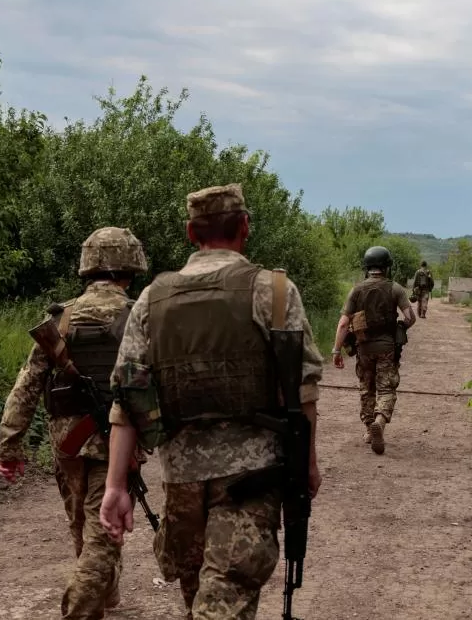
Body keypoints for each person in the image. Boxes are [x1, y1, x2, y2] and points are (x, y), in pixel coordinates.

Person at [99, 183, 323, 620]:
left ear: (189, 232)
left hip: (182, 479)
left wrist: (114, 486)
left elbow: (127, 399)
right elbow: (302, 389)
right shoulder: (273, 292)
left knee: (201, 596)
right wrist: (307, 463)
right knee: (223, 603)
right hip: (253, 476)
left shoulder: (151, 299)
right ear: (244, 227)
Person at [0, 226, 148, 620]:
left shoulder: (61, 320)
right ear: (130, 265)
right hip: (119, 440)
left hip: (67, 442)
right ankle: (85, 605)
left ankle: (101, 594)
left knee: (83, 522)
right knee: (103, 532)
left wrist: (9, 445)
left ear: (88, 266)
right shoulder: (139, 316)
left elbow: (27, 386)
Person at [332, 246, 416, 455]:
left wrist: (336, 350)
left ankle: (370, 430)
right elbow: (409, 317)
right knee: (386, 389)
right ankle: (380, 420)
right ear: (387, 267)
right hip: (387, 348)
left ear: (367, 267)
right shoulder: (395, 289)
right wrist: (401, 328)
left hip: (364, 349)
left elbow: (344, 323)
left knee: (366, 388)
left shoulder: (356, 290)